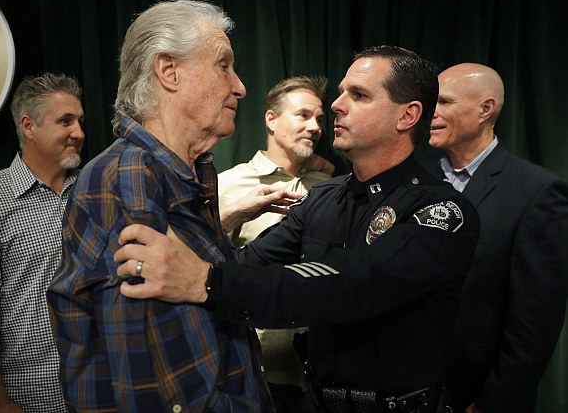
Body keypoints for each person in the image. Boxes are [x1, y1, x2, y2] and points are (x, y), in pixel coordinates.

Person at [114, 45, 481, 413]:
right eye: (341, 92)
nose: (337, 105)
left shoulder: (441, 211)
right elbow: (247, 264)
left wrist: (207, 282)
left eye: (359, 95)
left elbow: (353, 283)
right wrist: (219, 231)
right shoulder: (323, 199)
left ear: (407, 115)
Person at [46, 0, 297, 412]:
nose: (240, 86)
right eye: (223, 65)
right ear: (168, 71)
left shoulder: (186, 173)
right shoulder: (128, 176)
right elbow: (164, 385)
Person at [424, 63, 568, 413]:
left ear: (485, 109)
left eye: (444, 102)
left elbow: (534, 325)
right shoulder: (415, 178)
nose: (431, 113)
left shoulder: (536, 191)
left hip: (474, 396)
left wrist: (492, 405)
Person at [0, 72, 85, 412]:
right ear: (28, 126)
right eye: (65, 121)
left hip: (111, 389)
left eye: (80, 121)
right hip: (35, 399)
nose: (79, 133)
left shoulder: (96, 188)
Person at [218, 76, 331, 411]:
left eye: (320, 119)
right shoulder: (229, 186)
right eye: (303, 115)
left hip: (320, 372)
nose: (314, 127)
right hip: (257, 371)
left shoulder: (329, 187)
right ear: (271, 119)